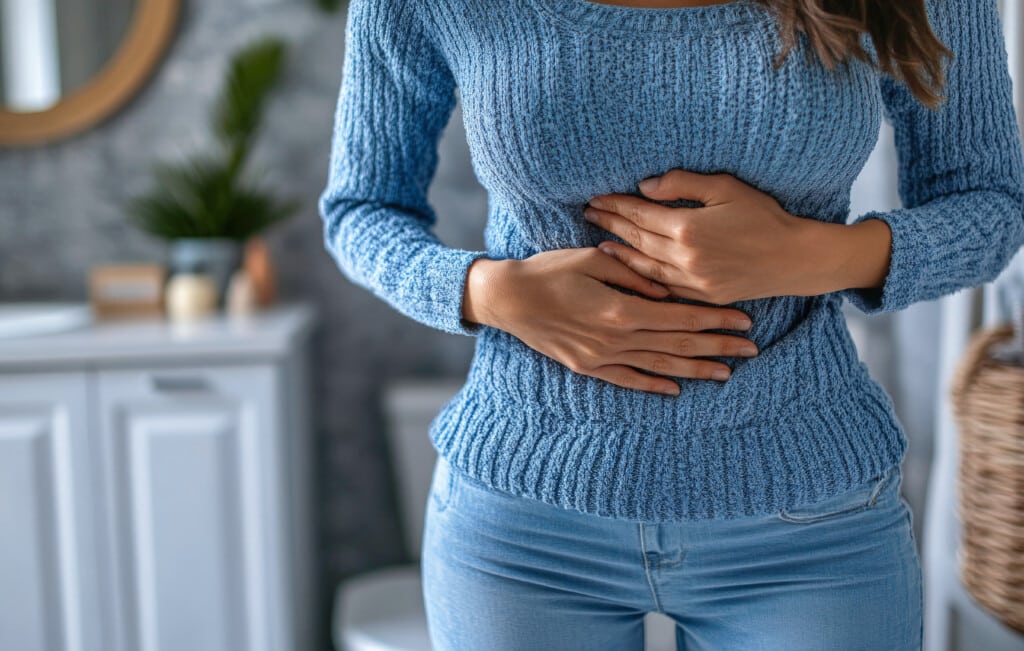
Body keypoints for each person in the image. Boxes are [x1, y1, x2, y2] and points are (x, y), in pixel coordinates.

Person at [318, 0, 1024, 648]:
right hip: (525, 523)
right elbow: (362, 209)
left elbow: (990, 203)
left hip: (807, 525)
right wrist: (491, 292)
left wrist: (807, 254)